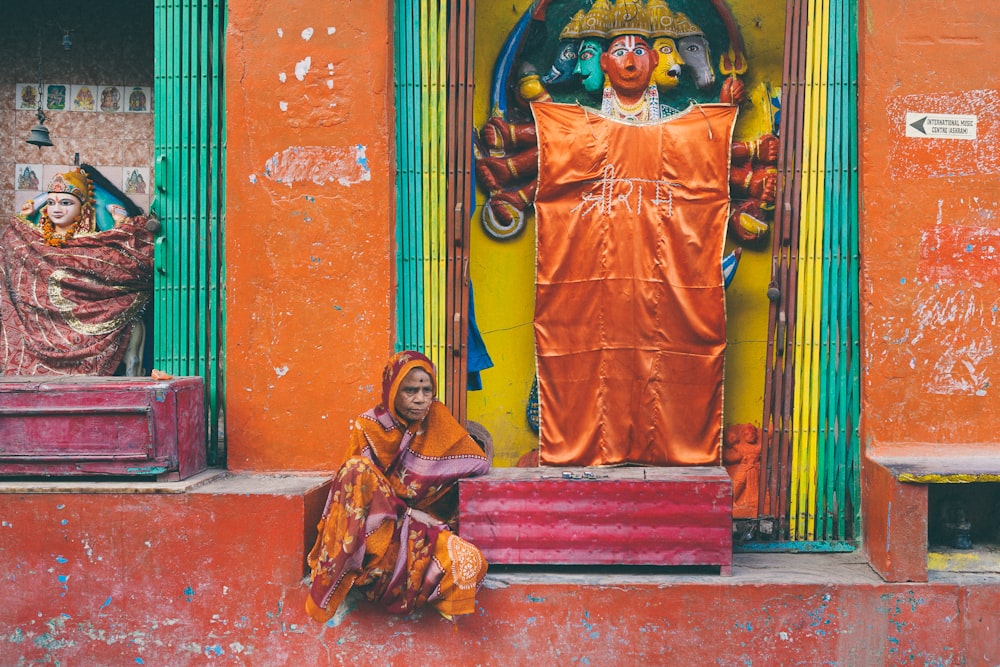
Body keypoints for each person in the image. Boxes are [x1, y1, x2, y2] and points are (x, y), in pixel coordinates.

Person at [305, 351, 491, 622]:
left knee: (468, 560)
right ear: (392, 390)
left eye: (427, 390)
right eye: (410, 390)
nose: (420, 398)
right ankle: (344, 573)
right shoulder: (369, 427)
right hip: (375, 529)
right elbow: (352, 495)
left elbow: (477, 462)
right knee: (357, 469)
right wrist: (407, 512)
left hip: (421, 529)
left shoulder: (436, 418)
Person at [1, 167, 155, 375]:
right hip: (40, 323)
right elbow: (12, 252)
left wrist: (121, 227)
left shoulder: (97, 241)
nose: (57, 209)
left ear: (83, 208)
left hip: (90, 316)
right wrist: (24, 219)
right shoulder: (31, 238)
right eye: (51, 202)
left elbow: (122, 262)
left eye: (66, 203)